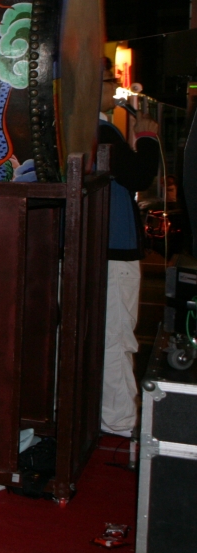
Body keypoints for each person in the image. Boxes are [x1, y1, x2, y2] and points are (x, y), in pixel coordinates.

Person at [99, 62, 159, 438]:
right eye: (110, 81)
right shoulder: (101, 131)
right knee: (116, 336)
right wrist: (148, 138)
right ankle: (120, 421)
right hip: (113, 249)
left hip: (99, 246)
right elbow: (138, 176)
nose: (116, 88)